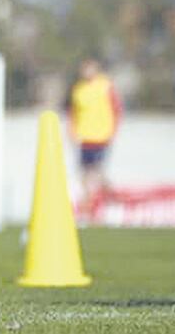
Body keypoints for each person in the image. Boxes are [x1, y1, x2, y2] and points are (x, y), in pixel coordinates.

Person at [68, 58, 122, 223]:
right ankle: (89, 210)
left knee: (97, 173)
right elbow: (74, 113)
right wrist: (72, 131)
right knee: (84, 174)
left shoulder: (105, 86)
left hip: (102, 137)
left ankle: (110, 201)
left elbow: (117, 109)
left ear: (96, 69)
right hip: (85, 138)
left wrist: (113, 131)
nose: (86, 72)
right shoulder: (78, 90)